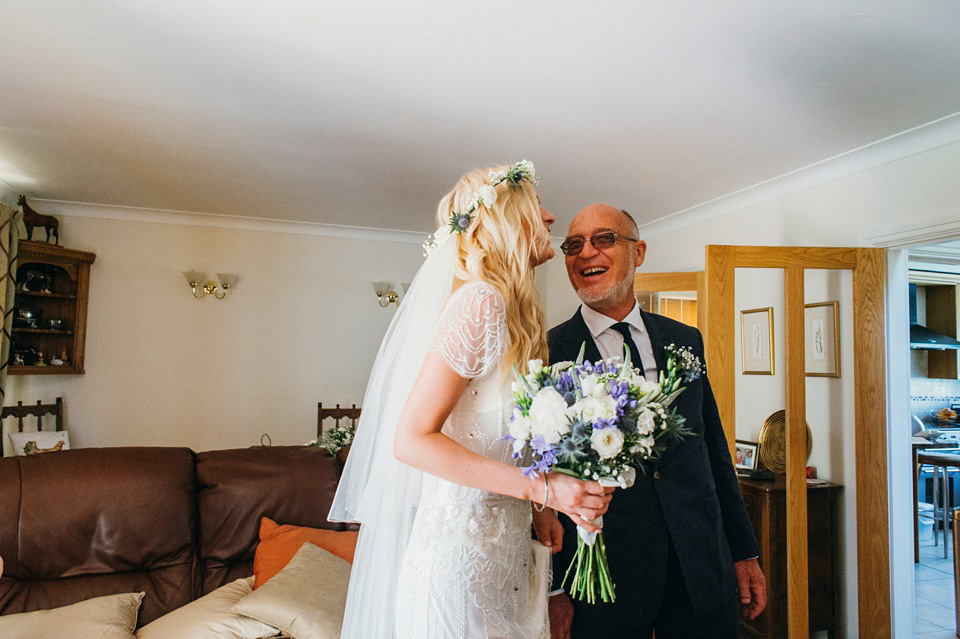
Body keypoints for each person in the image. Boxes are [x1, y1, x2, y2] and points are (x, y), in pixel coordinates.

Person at [329, 163, 615, 639]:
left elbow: (506, 430)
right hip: (456, 570)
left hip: (505, 561)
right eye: (535, 205)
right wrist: (544, 490)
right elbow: (412, 440)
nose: (549, 216)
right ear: (505, 217)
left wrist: (542, 510)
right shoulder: (479, 302)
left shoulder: (515, 311)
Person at [543, 203, 766, 639]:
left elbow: (713, 451)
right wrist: (553, 589)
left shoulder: (685, 339)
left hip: (700, 567)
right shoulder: (550, 350)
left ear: (638, 252)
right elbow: (539, 480)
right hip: (602, 581)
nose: (586, 252)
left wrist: (743, 551)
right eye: (573, 245)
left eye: (604, 239)